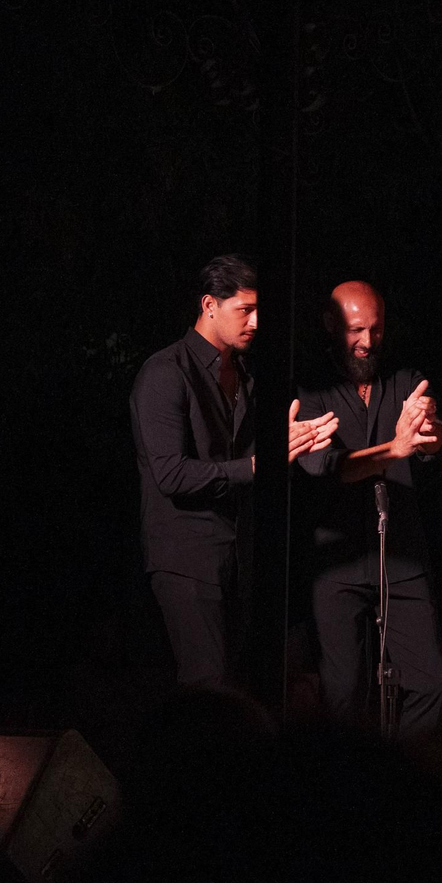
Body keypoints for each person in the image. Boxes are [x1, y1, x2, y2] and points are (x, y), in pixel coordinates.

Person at [130, 255, 338, 689]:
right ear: (209, 305)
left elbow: (246, 463)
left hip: (237, 557)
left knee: (239, 689)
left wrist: (292, 443)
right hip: (185, 558)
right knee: (208, 685)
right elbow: (171, 475)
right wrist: (259, 465)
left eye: (260, 309)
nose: (257, 321)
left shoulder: (244, 377)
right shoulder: (165, 372)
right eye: (245, 309)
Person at [295, 281, 442, 739]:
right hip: (337, 562)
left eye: (375, 329)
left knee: (431, 683)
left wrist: (430, 432)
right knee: (342, 692)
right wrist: (395, 448)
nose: (367, 342)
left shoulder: (402, 376)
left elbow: (430, 439)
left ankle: (402, 777)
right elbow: (326, 466)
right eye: (356, 330)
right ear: (331, 325)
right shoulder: (310, 387)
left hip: (401, 558)